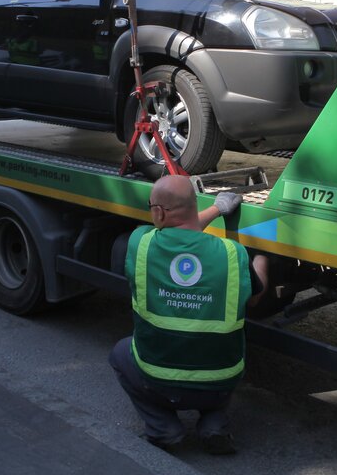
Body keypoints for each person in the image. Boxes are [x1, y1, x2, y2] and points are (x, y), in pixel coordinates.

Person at [110, 175, 265, 455]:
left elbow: (178, 228)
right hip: (219, 384)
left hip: (157, 381)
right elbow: (255, 297)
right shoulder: (234, 254)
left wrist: (215, 210)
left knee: (120, 353)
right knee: (227, 350)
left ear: (157, 212)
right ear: (194, 206)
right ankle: (214, 423)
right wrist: (264, 258)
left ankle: (164, 429)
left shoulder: (140, 244)